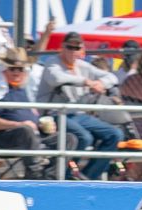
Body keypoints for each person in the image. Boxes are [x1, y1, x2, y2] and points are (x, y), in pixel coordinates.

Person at [36, 32, 124, 179]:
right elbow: (56, 78)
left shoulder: (82, 65)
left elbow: (112, 77)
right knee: (84, 137)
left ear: (81, 49)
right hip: (54, 114)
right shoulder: (52, 63)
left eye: (76, 48)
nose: (72, 51)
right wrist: (86, 81)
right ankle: (65, 175)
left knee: (115, 134)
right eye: (69, 47)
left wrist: (100, 83)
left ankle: (87, 177)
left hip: (76, 114)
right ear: (62, 47)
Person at [0, 47, 77, 179]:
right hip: (6, 137)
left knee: (69, 138)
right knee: (26, 131)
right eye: (12, 69)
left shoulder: (23, 89)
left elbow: (31, 116)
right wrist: (19, 124)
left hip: (33, 135)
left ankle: (51, 176)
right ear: (5, 69)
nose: (16, 72)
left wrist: (42, 125)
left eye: (20, 69)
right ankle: (34, 174)